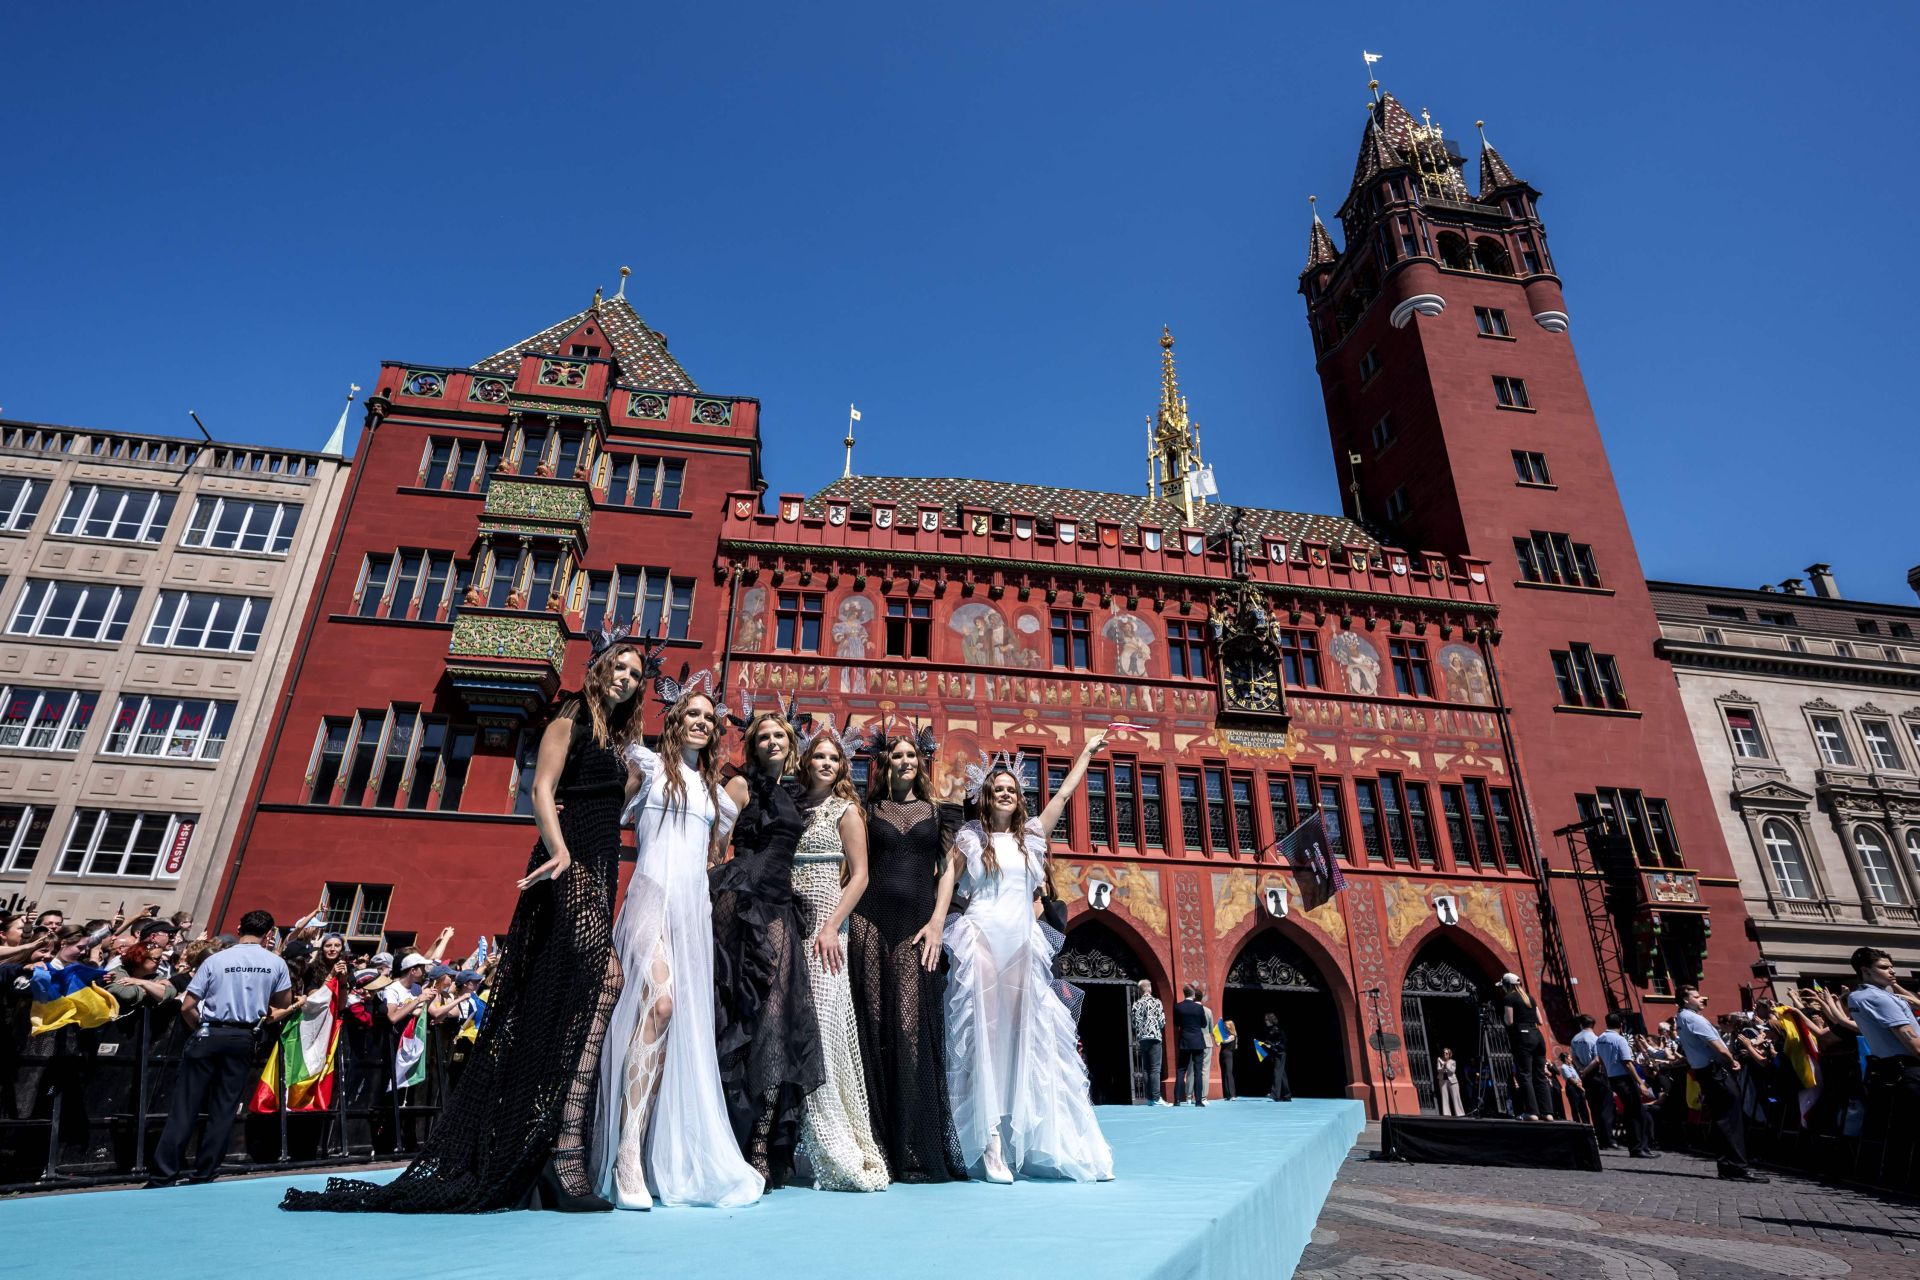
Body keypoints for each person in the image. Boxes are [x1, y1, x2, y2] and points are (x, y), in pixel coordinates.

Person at [285, 631, 651, 1213]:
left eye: (635, 674)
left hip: (600, 864)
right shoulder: (570, 720)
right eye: (618, 667)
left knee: (572, 994)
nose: (626, 678)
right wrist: (558, 852)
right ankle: (558, 1150)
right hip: (571, 862)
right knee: (601, 981)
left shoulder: (616, 741)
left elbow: (615, 799)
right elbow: (541, 787)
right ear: (600, 667)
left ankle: (547, 1146)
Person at [592, 676, 763, 1210]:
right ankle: (626, 1153)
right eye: (692, 715)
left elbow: (713, 858)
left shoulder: (717, 795)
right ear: (673, 721)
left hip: (692, 911)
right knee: (660, 1005)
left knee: (676, 1026)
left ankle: (655, 1149)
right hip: (648, 895)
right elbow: (606, 820)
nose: (701, 722)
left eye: (709, 718)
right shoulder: (644, 766)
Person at [944, 741, 1114, 1182]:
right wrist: (933, 921)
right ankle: (990, 1141)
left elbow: (1063, 795)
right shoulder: (968, 837)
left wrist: (1086, 755)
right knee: (981, 1038)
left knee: (1025, 1040)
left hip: (1021, 943)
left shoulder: (1033, 837)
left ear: (1019, 798)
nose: (1005, 794)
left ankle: (1028, 1137)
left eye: (1012, 790)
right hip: (980, 938)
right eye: (997, 788)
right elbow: (947, 879)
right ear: (986, 794)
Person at [710, 710, 824, 1187]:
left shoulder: (796, 794)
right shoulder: (740, 788)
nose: (774, 742)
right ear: (753, 746)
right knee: (740, 1012)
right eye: (765, 737)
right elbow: (717, 850)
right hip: (740, 900)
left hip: (779, 904)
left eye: (781, 736)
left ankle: (761, 1141)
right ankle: (732, 1137)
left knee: (778, 1018)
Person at [852, 726, 968, 1177]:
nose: (904, 761)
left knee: (909, 1027)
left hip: (917, 924)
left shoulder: (938, 813)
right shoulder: (867, 809)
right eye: (896, 755)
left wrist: (939, 920)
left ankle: (913, 1143)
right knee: (874, 1025)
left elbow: (948, 872)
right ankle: (878, 1140)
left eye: (911, 756)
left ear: (920, 764)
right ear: (885, 764)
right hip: (869, 920)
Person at [789, 728, 889, 1191]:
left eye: (834, 759)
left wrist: (831, 926)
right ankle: (788, 1143)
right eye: (820, 757)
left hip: (827, 924)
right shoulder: (793, 804)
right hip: (789, 916)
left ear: (842, 768)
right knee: (787, 1022)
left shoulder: (846, 810)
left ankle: (832, 1138)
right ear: (807, 761)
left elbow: (862, 875)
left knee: (825, 1030)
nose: (826, 763)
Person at [150, 909, 292, 1186]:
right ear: (269, 933)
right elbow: (285, 1001)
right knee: (224, 1108)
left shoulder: (216, 959)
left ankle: (164, 1173)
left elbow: (188, 1005)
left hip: (209, 1031)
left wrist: (199, 1029)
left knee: (185, 1106)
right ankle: (205, 1172)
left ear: (239, 926)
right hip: (243, 1037)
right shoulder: (275, 963)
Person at [1673, 985, 1767, 1182]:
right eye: (1696, 997)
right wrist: (1732, 1061)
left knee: (1721, 1118)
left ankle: (1726, 1164)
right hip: (1715, 1070)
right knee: (1730, 1118)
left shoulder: (1681, 1018)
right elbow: (1718, 1046)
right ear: (1685, 1000)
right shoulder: (1693, 1019)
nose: (1701, 999)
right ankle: (1737, 1166)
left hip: (1705, 1071)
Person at [1846, 946, 1920, 1104]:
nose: (1892, 971)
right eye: (1884, 967)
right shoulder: (1878, 998)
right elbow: (1916, 1046)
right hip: (1908, 1070)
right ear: (1865, 971)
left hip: (1889, 1071)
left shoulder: (1857, 996)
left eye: (1892, 967)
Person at [1597, 1011, 1654, 1157]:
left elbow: (1601, 1060)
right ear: (1621, 1025)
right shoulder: (1619, 1039)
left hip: (1612, 1077)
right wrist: (1640, 1082)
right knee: (1637, 1113)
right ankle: (1640, 1147)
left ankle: (1635, 1146)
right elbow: (1627, 1063)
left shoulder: (1600, 1039)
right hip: (1624, 1078)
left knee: (1629, 1113)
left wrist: (1606, 1075)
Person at [1499, 973, 1547, 1120]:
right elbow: (1540, 1020)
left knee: (1525, 1075)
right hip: (1538, 1036)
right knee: (1540, 1075)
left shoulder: (1509, 998)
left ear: (1507, 985)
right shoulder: (1529, 998)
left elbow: (1509, 1021)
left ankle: (1532, 1112)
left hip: (1523, 1036)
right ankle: (1547, 1112)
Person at [1570, 1013, 1612, 1147]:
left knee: (1593, 1108)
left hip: (1585, 1077)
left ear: (1581, 1024)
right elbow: (1597, 1059)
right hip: (1596, 1074)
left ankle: (1600, 1138)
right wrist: (1586, 1069)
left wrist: (1581, 1069)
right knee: (1605, 1107)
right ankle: (1609, 1139)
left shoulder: (1575, 1039)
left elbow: (1574, 1058)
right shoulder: (1595, 1039)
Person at [1130, 979, 1166, 1105]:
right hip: (1154, 1037)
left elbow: (1134, 1024)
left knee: (1146, 1069)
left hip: (1142, 1038)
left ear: (1140, 990)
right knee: (1155, 1068)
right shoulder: (1157, 1002)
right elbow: (1162, 1022)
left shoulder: (1136, 1004)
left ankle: (1150, 1098)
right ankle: (1157, 1097)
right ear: (1149, 988)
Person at [1172, 984, 1208, 1107]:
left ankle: (1177, 1100)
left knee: (1181, 1070)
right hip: (1198, 1041)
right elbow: (1203, 1024)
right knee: (1198, 1071)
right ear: (1193, 994)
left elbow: (1176, 1024)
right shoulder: (1199, 1008)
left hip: (1185, 1041)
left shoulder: (1178, 1007)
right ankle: (1198, 1101)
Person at [1261, 1011, 1292, 1101]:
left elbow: (1283, 1042)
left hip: (1280, 1053)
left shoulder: (1277, 1030)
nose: (1265, 1021)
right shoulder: (1270, 1030)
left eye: (1267, 1020)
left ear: (1271, 1020)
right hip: (1276, 1053)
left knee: (1277, 1073)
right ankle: (1287, 1096)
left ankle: (1275, 1094)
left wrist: (1272, 1045)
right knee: (1282, 1074)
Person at [1557, 1051, 1588, 1125]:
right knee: (1575, 1108)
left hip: (1579, 1087)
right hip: (1572, 1088)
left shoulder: (1572, 1066)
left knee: (1583, 1108)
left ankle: (1587, 1124)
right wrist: (1582, 1088)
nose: (1571, 1059)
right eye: (1570, 1057)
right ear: (1566, 1058)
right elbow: (1571, 1079)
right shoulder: (1564, 1067)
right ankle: (1578, 1124)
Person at [1436, 1047, 1464, 1116]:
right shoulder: (1439, 1059)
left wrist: (1446, 1066)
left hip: (1453, 1081)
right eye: (1444, 1053)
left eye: (1446, 1053)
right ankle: (1446, 1114)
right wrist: (1443, 1068)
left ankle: (1460, 1113)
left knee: (1456, 1097)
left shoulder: (1453, 1061)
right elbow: (1438, 1070)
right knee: (1444, 1097)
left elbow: (1452, 1071)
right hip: (1443, 1080)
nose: (1444, 1054)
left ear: (1449, 1054)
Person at [1217, 1017, 1238, 1100]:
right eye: (1224, 1025)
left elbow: (1225, 1041)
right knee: (1224, 1073)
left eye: (1226, 1025)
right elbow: (1219, 1043)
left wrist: (1219, 1040)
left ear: (1230, 1026)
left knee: (1229, 1073)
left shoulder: (1233, 1036)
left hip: (1228, 1055)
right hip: (1222, 1055)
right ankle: (1227, 1095)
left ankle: (1232, 1095)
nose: (1225, 1027)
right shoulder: (1225, 1035)